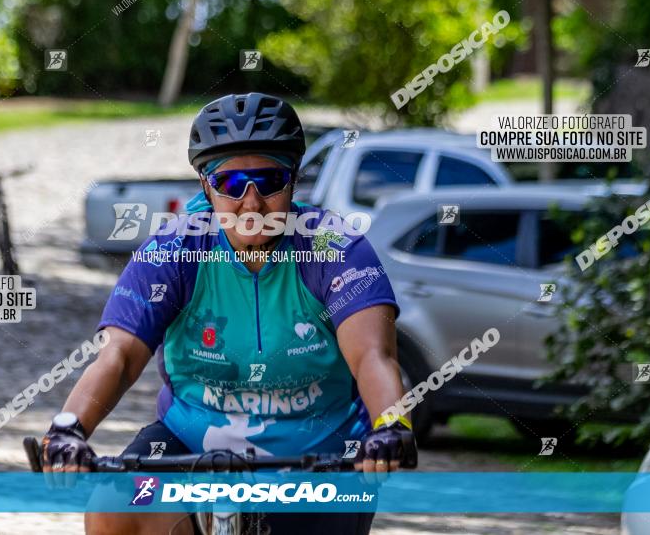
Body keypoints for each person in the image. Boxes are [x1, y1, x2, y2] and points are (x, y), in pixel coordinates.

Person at [41, 93, 417, 534]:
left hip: (320, 453)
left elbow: (373, 356)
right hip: (189, 445)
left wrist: (391, 426)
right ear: (206, 186)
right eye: (232, 183)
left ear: (294, 180)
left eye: (270, 180)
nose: (252, 204)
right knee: (113, 508)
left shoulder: (333, 247)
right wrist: (69, 428)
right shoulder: (174, 249)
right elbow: (118, 357)